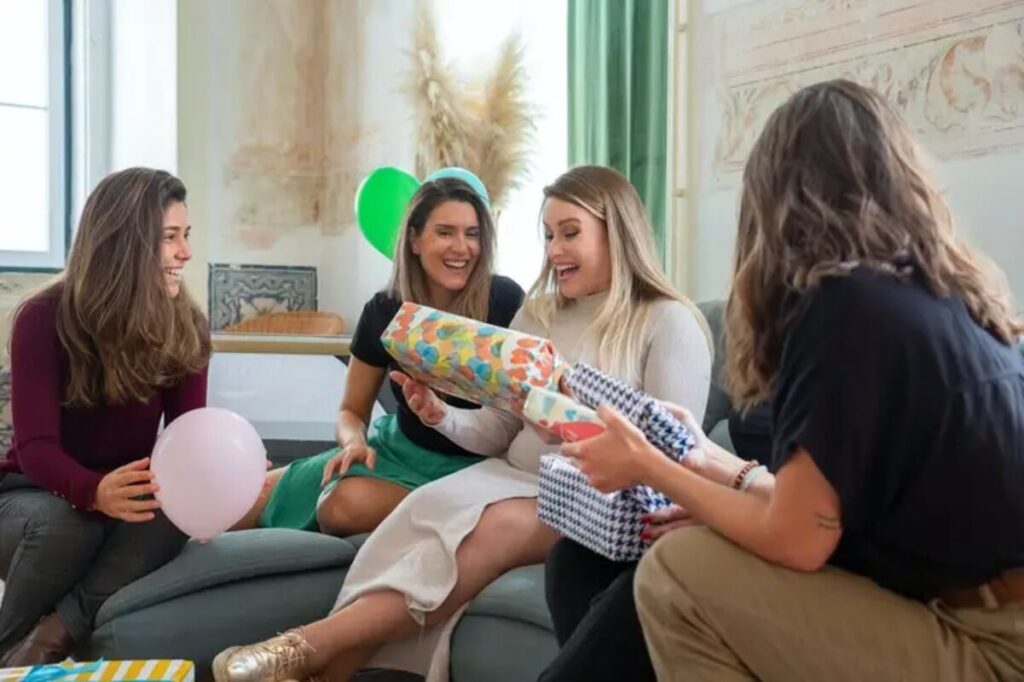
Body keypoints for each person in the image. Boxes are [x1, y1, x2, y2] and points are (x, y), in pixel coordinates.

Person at [566, 80, 1024, 681]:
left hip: (992, 644)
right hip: (985, 614)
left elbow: (798, 540)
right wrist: (706, 460)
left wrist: (648, 466)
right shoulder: (945, 300)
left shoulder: (845, 305)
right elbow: (817, 515)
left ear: (775, 201)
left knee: (677, 572)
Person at [211, 165, 714, 682]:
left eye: (570, 234)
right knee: (425, 512)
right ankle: (320, 672)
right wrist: (442, 414)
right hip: (506, 473)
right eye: (547, 236)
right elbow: (499, 428)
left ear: (618, 232)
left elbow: (673, 452)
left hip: (594, 496)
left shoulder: (668, 321)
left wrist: (571, 419)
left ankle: (302, 648)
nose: (554, 251)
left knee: (485, 528)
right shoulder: (538, 316)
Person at [0, 168, 210, 666]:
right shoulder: (42, 317)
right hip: (31, 494)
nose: (186, 252)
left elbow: (183, 440)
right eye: (170, 238)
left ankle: (53, 636)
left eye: (187, 236)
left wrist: (213, 477)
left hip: (124, 495)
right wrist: (94, 492)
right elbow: (35, 449)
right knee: (69, 526)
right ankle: (10, 654)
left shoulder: (188, 328)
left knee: (174, 510)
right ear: (127, 243)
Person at [233, 177, 524, 536]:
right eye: (445, 232)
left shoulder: (506, 301)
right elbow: (351, 411)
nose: (461, 247)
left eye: (473, 234)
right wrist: (355, 442)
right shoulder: (385, 309)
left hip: (475, 471)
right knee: (246, 497)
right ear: (415, 240)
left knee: (340, 507)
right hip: (395, 450)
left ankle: (454, 512)